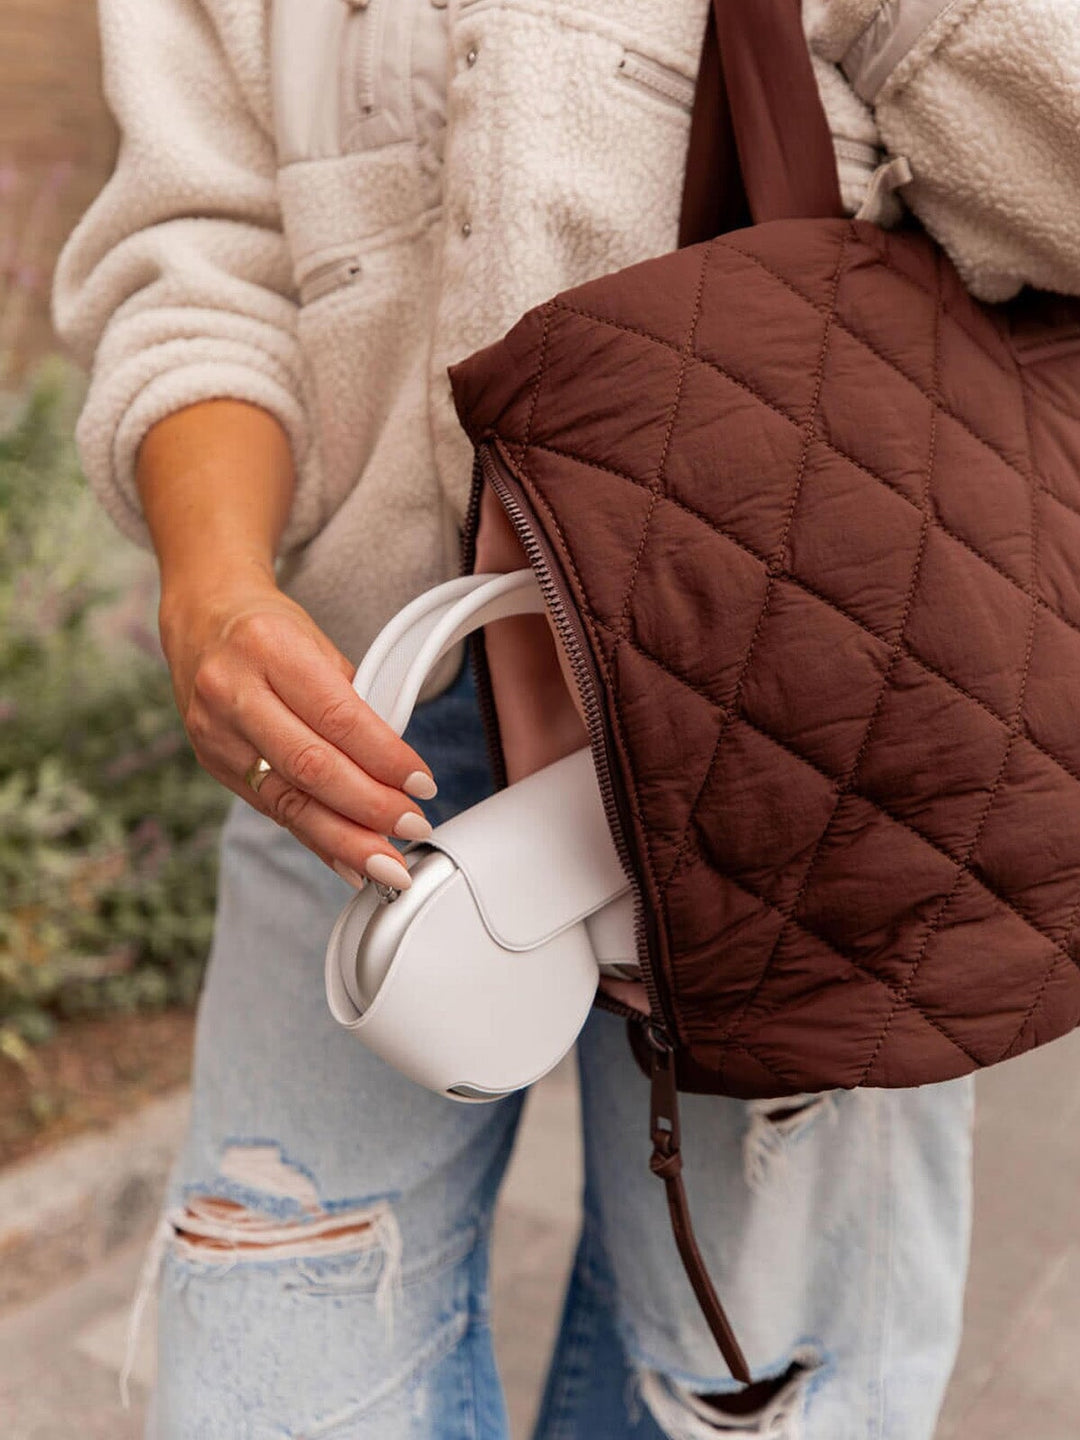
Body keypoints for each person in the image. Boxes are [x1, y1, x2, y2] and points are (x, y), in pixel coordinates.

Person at [56, 1, 1078, 1435]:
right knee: (267, 1372)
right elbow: (199, 250)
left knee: (748, 1384)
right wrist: (211, 586)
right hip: (362, 712)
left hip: (803, 731)